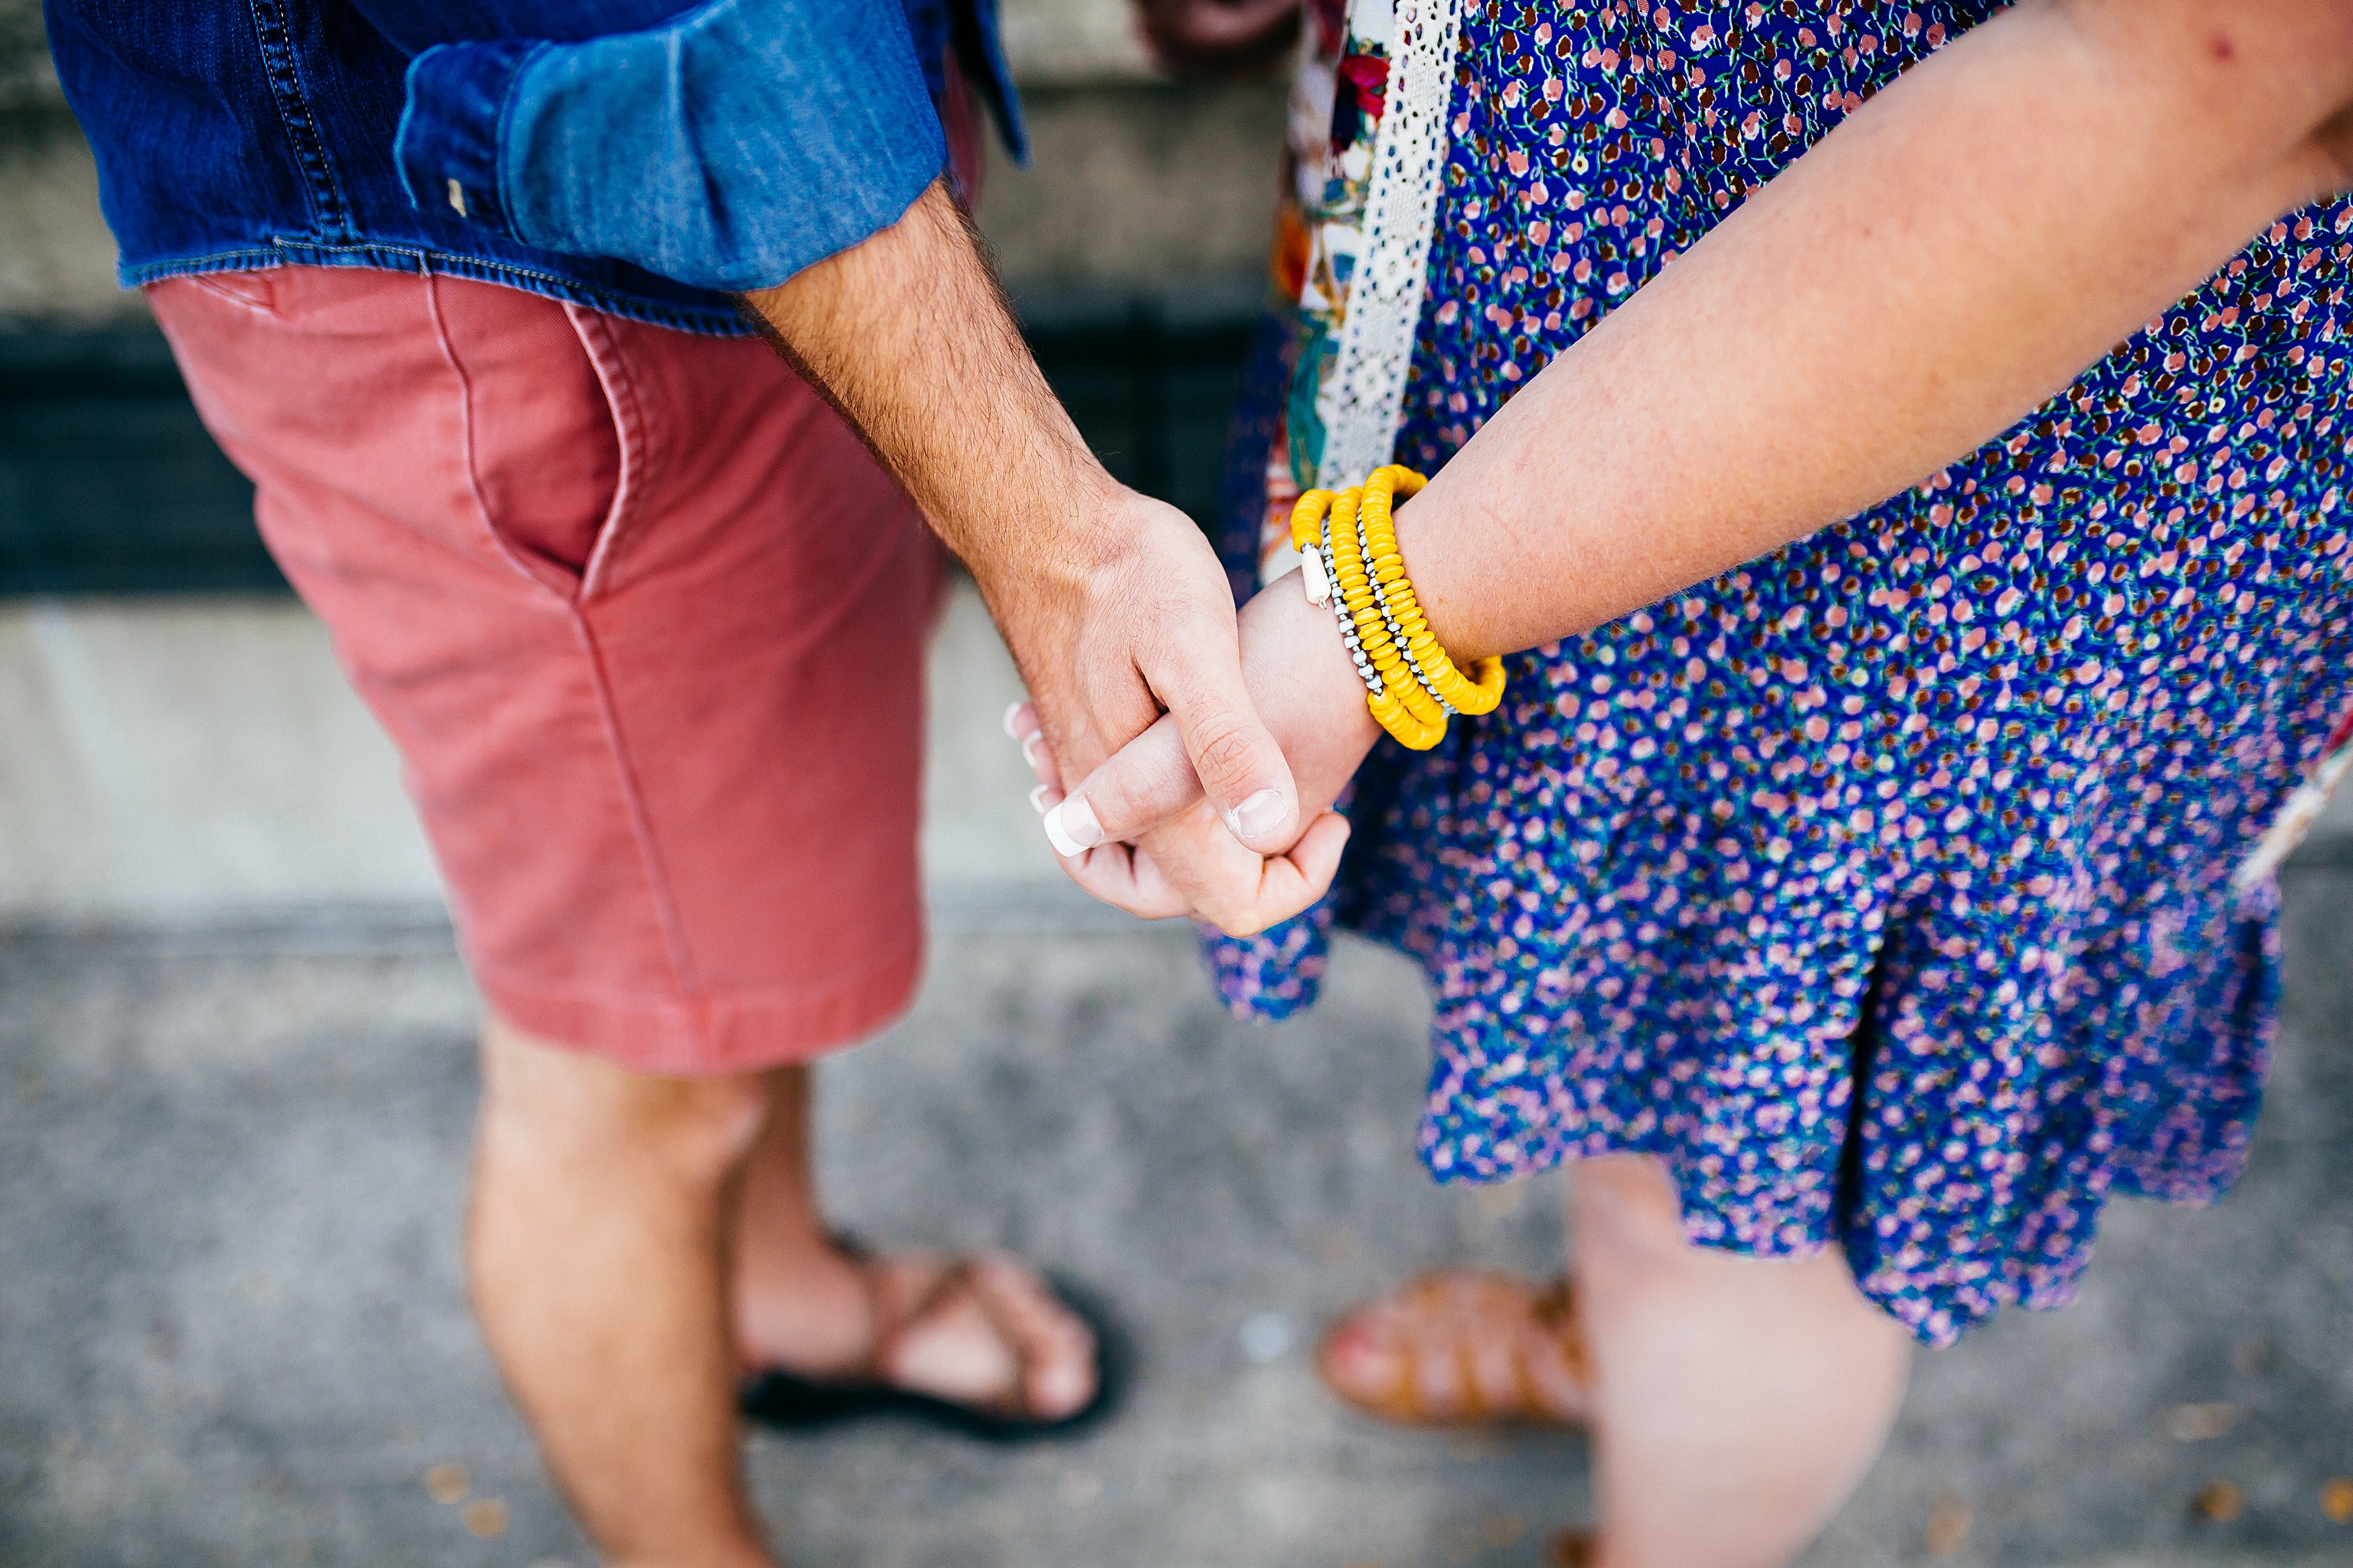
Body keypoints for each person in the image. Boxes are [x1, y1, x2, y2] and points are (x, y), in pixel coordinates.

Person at [1025, 1, 2353, 1564]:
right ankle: (1614, 1343)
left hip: (1958, 475)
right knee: (1642, 1080)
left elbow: (2189, 81)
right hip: (1542, 328)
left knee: (1734, 1185)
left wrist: (1372, 626)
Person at [43, 3, 1318, 1563]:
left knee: (722, 932)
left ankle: (773, 1292)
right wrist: (1055, 542)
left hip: (772, 174)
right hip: (514, 231)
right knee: (629, 1078)